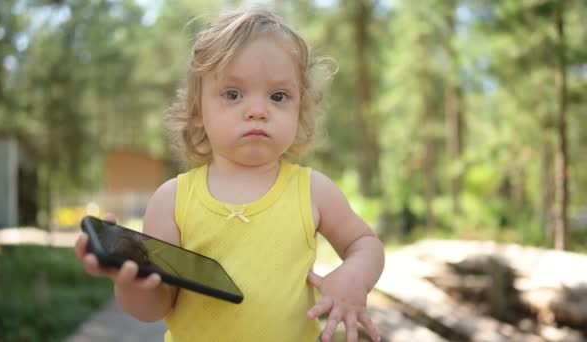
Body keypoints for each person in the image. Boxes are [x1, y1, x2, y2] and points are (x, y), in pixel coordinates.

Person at [75, 6, 384, 342]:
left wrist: (354, 275)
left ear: (300, 108)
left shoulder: (313, 191)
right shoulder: (172, 200)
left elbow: (364, 243)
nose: (257, 111)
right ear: (197, 111)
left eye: (278, 96)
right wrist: (131, 283)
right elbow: (155, 307)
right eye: (233, 94)